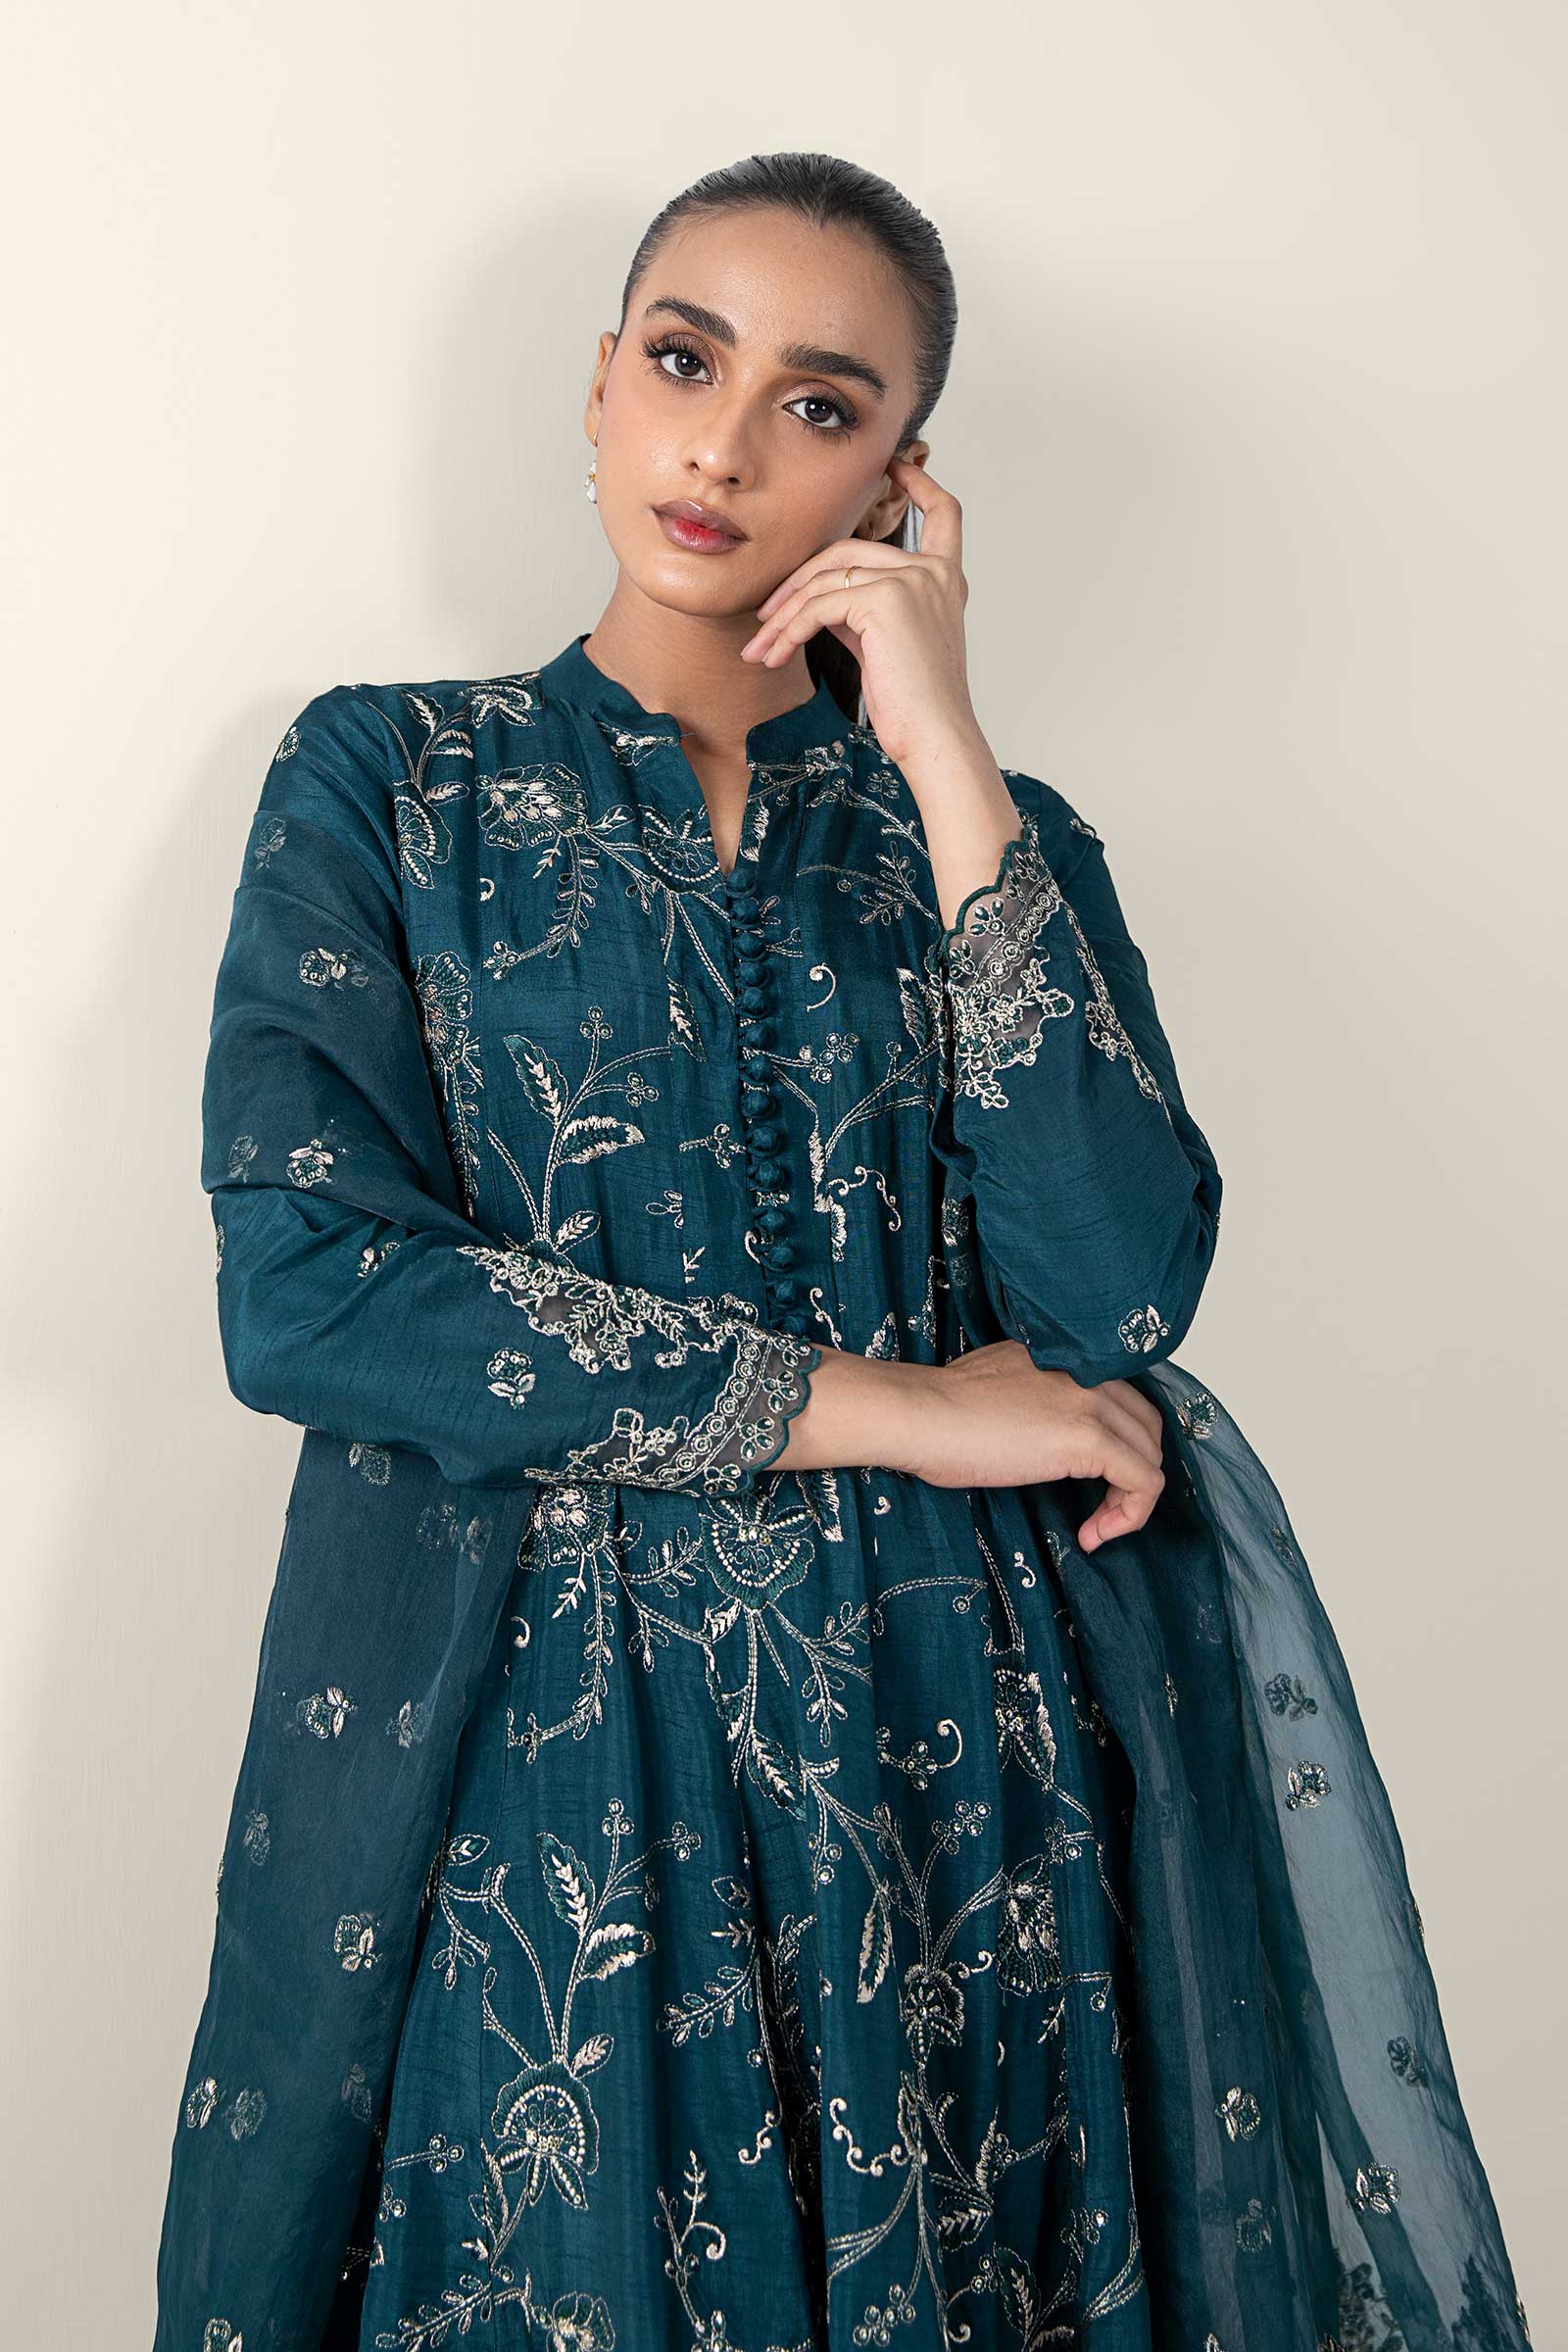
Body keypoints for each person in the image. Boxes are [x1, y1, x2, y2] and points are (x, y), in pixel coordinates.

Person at [153, 153, 1532, 2352]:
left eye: (816, 404)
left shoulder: (996, 840)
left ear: (900, 479)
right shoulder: (391, 782)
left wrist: (946, 746)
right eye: (683, 360)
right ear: (599, 386)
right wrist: (897, 1407)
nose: (721, 444)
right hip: (544, 1765)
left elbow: (1117, 1293)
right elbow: (309, 1289)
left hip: (961, 1775)